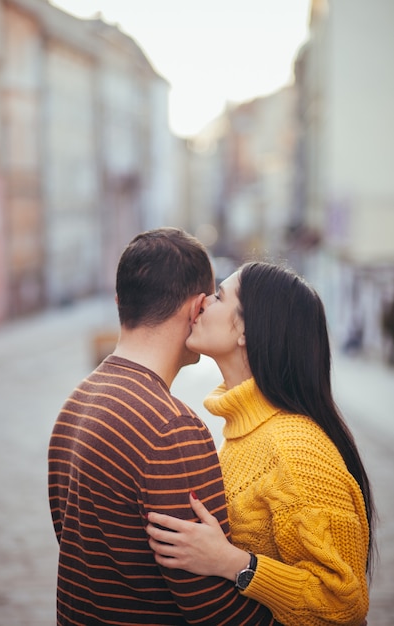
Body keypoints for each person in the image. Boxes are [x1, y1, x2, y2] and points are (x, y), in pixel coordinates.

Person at [48, 229, 279, 626]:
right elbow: (212, 606)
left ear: (121, 302)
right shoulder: (172, 428)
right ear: (195, 310)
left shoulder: (76, 402)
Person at [147, 261, 376, 626]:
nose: (204, 301)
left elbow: (344, 605)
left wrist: (231, 563)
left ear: (246, 330)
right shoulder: (244, 433)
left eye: (219, 296)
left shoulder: (297, 450)